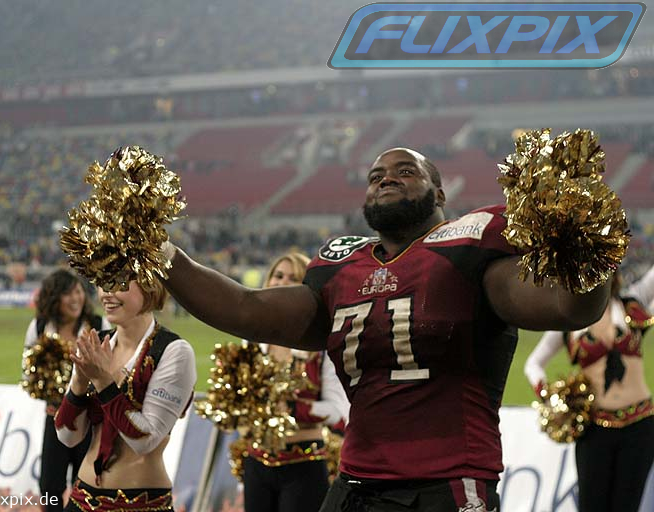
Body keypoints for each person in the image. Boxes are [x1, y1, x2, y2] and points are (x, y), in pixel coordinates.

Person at [157, 147, 614, 511]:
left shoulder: (469, 249)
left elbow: (569, 308)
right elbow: (244, 308)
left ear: (439, 194)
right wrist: (163, 254)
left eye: (405, 171)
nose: (386, 178)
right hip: (356, 484)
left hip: (446, 484)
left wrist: (587, 248)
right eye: (376, 175)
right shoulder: (340, 268)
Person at [54, 277, 196, 512]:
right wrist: (79, 381)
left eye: (119, 283)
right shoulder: (97, 344)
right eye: (102, 283)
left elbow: (145, 440)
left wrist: (103, 381)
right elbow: (67, 436)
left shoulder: (174, 351)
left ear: (149, 284)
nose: (106, 293)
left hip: (143, 504)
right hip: (82, 499)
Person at [524, 262, 654, 512]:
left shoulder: (632, 302)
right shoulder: (570, 321)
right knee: (591, 505)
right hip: (595, 429)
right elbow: (533, 364)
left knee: (627, 506)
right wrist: (551, 398)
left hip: (640, 425)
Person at [243, 252, 349, 512]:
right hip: (255, 462)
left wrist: (294, 409)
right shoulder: (251, 340)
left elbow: (338, 410)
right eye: (278, 275)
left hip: (305, 463)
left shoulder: (322, 346)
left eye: (293, 278)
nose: (283, 283)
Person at [22, 269, 110, 511]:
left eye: (79, 292)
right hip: (55, 418)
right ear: (54, 297)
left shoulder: (98, 325)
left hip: (91, 424)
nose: (76, 299)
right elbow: (28, 373)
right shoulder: (40, 327)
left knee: (86, 486)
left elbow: (109, 369)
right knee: (49, 487)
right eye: (68, 294)